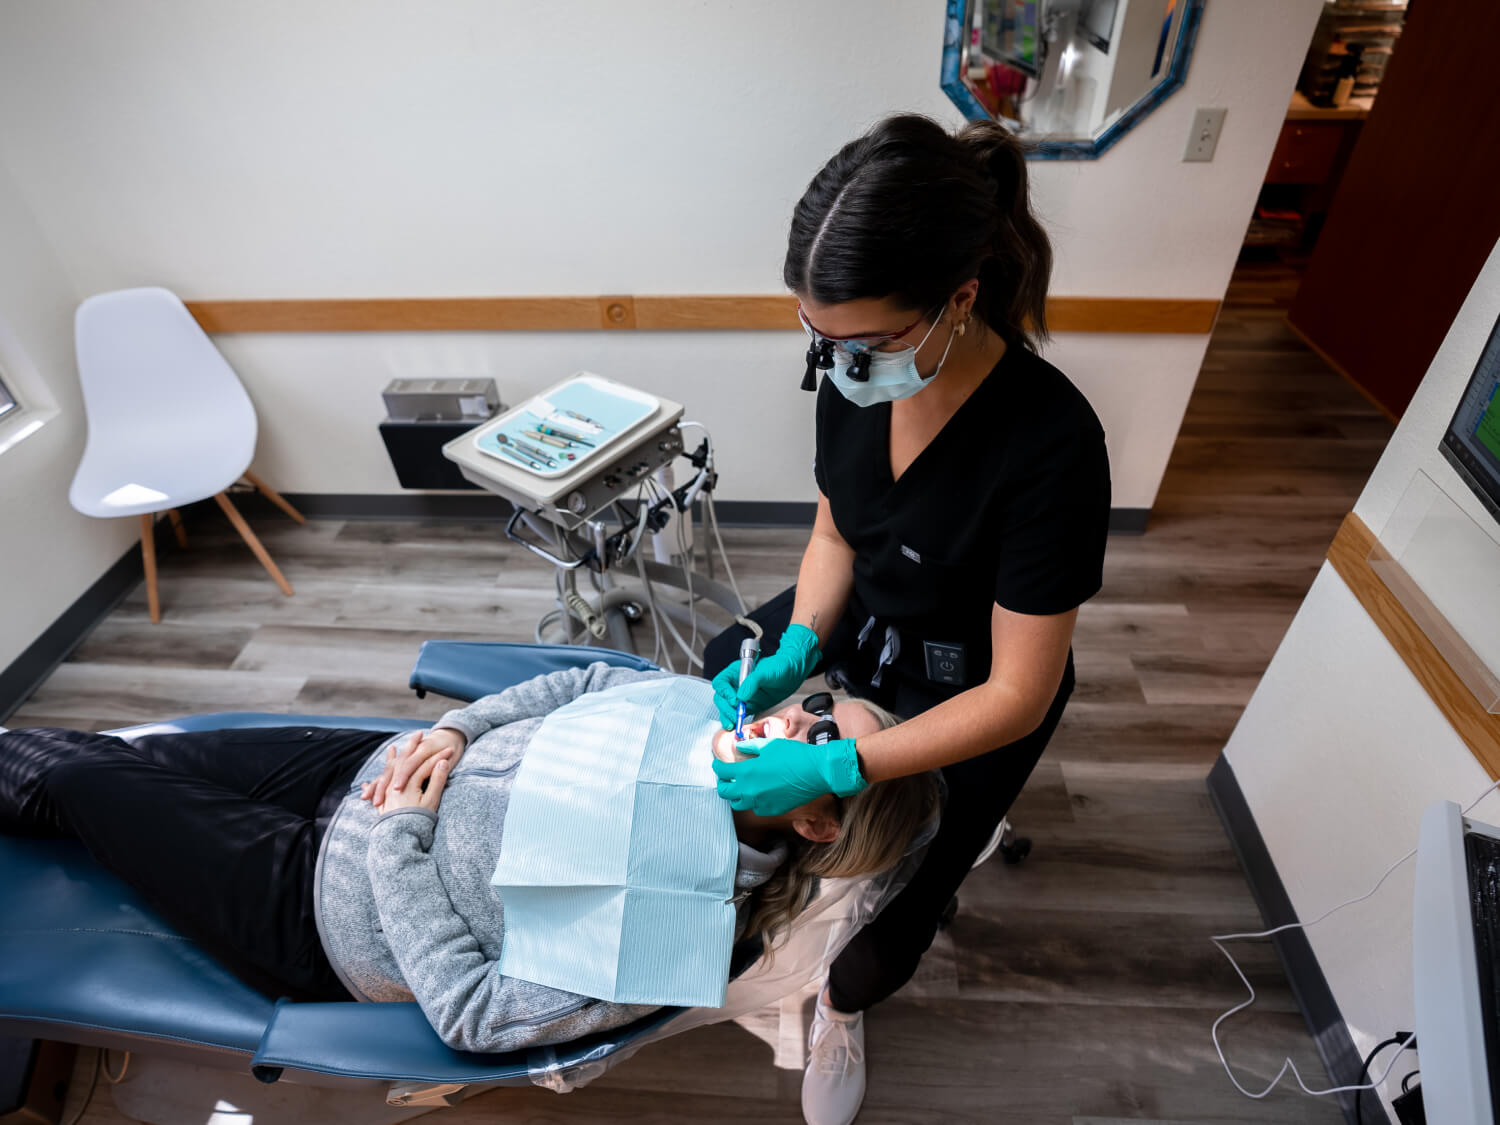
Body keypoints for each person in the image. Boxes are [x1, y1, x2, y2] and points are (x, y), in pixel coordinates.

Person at [702, 113, 1111, 1125]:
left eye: (865, 340)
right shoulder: (852, 375)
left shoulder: (1050, 444)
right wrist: (798, 643)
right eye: (818, 337)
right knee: (718, 665)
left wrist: (841, 766)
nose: (837, 364)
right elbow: (838, 535)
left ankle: (837, 1007)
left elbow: (1018, 691)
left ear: (957, 300)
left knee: (884, 938)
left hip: (974, 680)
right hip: (865, 624)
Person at [0, 662, 937, 1054]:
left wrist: (402, 842)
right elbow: (578, 680)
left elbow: (476, 1017)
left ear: (817, 824)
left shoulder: (680, 930)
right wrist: (453, 731)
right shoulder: (700, 706)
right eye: (818, 704)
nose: (797, 720)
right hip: (371, 767)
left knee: (83, 780)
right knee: (125, 754)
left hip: (320, 900)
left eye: (820, 747)